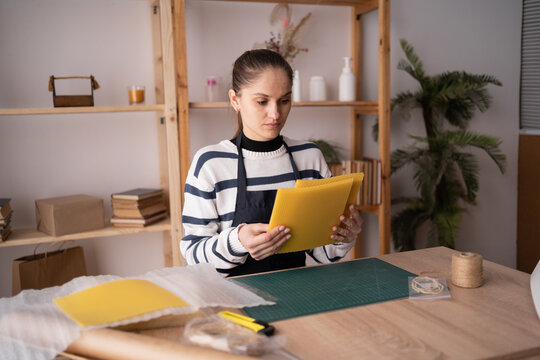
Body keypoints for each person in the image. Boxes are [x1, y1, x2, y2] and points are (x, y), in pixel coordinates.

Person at [181, 49, 363, 277]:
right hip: (233, 301)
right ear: (235, 100)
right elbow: (193, 254)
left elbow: (324, 253)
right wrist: (237, 242)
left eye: (284, 100)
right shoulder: (210, 164)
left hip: (298, 292)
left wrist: (344, 237)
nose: (275, 113)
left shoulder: (309, 157)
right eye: (262, 101)